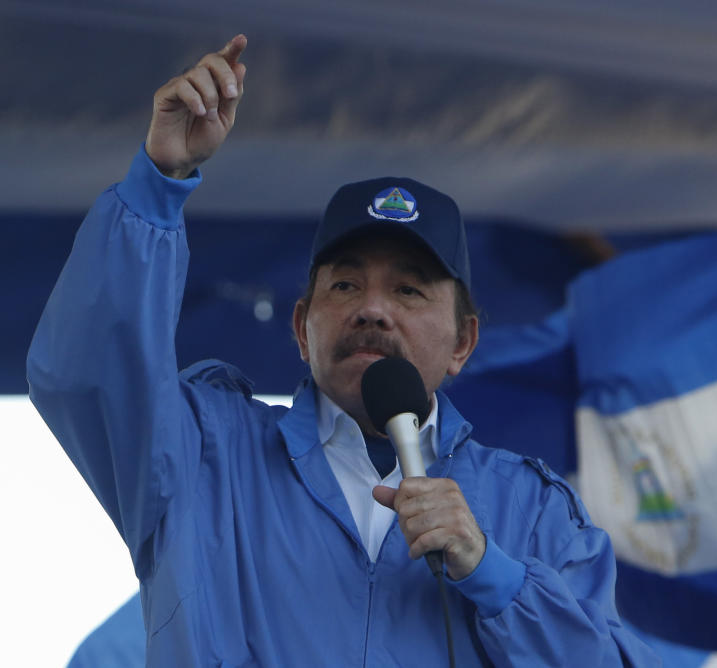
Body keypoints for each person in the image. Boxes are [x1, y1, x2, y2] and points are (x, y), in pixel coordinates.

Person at [27, 34, 658, 667]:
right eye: (346, 284)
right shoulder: (200, 452)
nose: (373, 308)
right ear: (302, 329)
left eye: (409, 290)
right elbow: (90, 373)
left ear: (463, 341)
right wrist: (161, 180)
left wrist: (490, 571)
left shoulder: (536, 510)